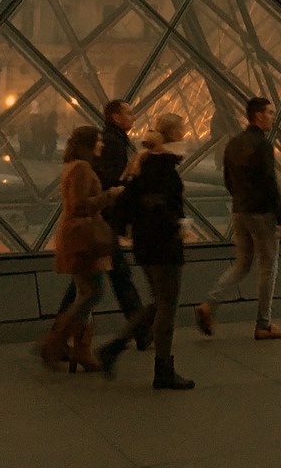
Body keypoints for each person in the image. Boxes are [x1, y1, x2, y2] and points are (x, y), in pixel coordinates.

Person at [98, 114, 195, 390]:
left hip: (144, 243)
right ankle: (162, 369)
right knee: (167, 305)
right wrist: (178, 223)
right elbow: (160, 204)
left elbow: (128, 201)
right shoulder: (163, 167)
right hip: (163, 243)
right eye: (183, 131)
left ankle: (116, 346)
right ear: (175, 134)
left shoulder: (142, 163)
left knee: (158, 302)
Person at [54, 100, 151, 348]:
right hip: (98, 228)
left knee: (89, 285)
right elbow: (97, 192)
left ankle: (62, 337)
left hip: (94, 228)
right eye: (129, 112)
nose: (134, 116)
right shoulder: (111, 148)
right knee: (108, 283)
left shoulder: (98, 153)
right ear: (116, 117)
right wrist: (122, 184)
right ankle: (58, 339)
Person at [195, 96, 281, 340]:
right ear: (258, 115)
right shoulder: (262, 145)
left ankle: (210, 304)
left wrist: (239, 199)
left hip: (240, 211)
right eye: (269, 113)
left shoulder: (234, 143)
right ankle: (264, 323)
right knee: (268, 268)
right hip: (262, 213)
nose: (272, 116)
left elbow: (227, 179)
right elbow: (270, 183)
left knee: (242, 264)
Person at [38, 125, 125, 372]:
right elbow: (79, 205)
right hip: (82, 237)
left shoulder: (73, 166)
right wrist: (110, 195)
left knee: (84, 292)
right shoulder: (82, 168)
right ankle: (56, 342)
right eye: (97, 141)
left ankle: (80, 349)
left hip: (77, 235)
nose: (101, 144)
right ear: (86, 144)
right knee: (92, 292)